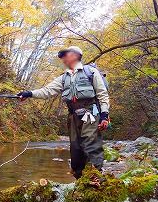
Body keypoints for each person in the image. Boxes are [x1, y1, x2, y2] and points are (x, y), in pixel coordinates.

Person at [17, 46, 110, 179]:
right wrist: (29, 93)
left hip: (91, 113)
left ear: (76, 55)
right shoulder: (63, 78)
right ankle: (79, 180)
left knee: (90, 142)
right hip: (73, 117)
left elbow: (102, 94)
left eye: (66, 55)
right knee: (76, 149)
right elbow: (46, 91)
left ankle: (96, 177)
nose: (63, 59)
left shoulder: (91, 72)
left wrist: (104, 116)